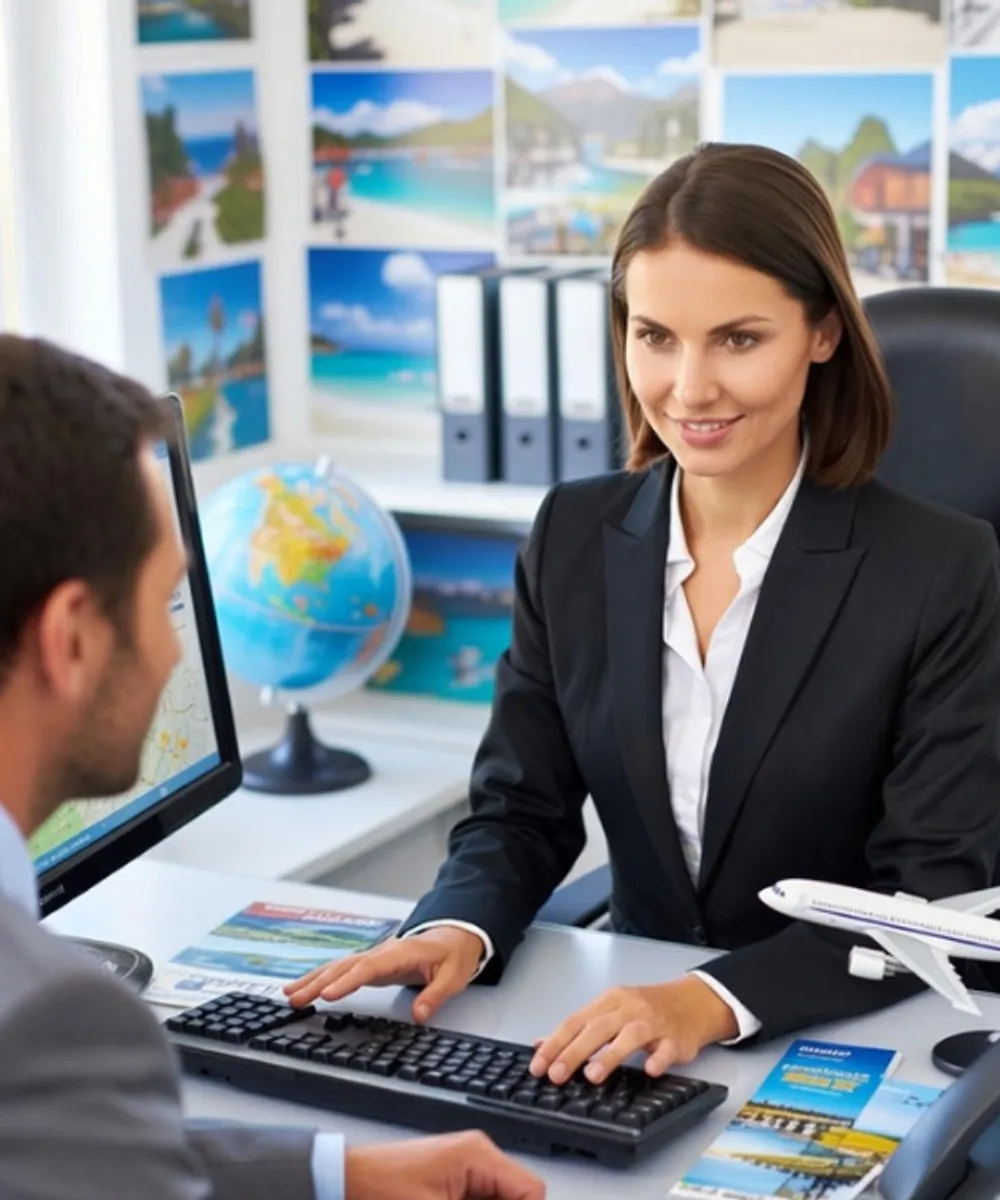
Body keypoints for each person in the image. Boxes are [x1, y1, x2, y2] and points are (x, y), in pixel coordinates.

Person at [287, 142, 1000, 1087]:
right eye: (656, 336)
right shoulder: (572, 536)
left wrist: (709, 999)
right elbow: (520, 809)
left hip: (850, 1029)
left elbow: (927, 892)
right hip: (631, 1030)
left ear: (823, 333)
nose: (689, 388)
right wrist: (455, 925)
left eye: (738, 339)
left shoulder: (942, 568)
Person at [0, 334, 545, 1200]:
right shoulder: (50, 1018)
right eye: (165, 603)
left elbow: (60, 1153)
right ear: (70, 640)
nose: (173, 650)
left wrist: (335, 1173)